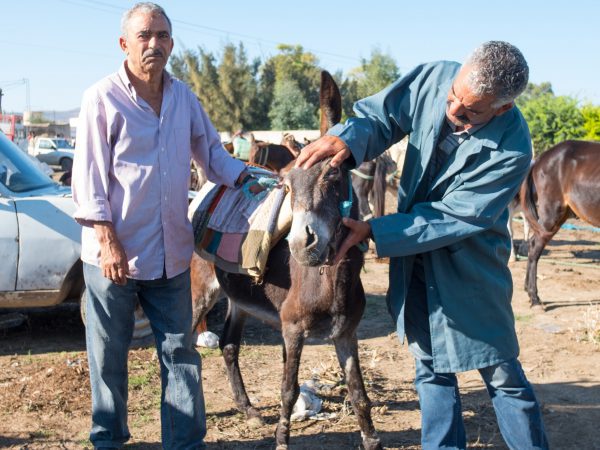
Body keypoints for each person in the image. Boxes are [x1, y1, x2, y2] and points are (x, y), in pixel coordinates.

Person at [296, 41, 548, 450]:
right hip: (413, 260)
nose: (453, 111)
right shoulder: (435, 77)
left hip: (470, 270)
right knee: (429, 367)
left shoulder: (513, 149)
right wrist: (349, 139)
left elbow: (455, 216)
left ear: (502, 109)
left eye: (469, 112)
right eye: (452, 98)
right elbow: (380, 117)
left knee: (501, 372)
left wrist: (376, 231)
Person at [71, 3, 253, 449]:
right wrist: (108, 241)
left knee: (182, 355)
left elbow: (212, 156)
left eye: (163, 35)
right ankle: (108, 440)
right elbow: (88, 180)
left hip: (172, 253)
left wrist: (250, 177)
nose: (155, 43)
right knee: (109, 357)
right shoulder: (102, 98)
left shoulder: (183, 98)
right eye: (145, 35)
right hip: (113, 257)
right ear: (124, 43)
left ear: (172, 42)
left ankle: (184, 443)